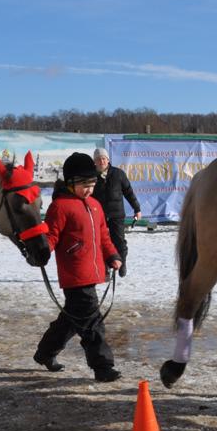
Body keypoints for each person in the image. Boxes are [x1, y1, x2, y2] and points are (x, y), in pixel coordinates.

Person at [33, 152, 123, 382]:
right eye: (84, 185)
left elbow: (104, 236)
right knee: (92, 322)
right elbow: (51, 236)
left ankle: (45, 353)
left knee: (71, 320)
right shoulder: (60, 207)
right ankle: (103, 366)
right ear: (70, 183)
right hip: (74, 274)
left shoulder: (95, 205)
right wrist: (43, 251)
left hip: (93, 271)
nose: (89, 190)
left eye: (92, 185)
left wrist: (112, 254)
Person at [91, 147, 141, 277]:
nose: (101, 161)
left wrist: (137, 209)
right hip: (99, 216)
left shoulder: (118, 174)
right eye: (98, 159)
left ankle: (122, 262)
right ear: (94, 162)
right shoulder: (91, 176)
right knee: (100, 242)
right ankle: (105, 268)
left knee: (119, 242)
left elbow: (128, 192)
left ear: (108, 160)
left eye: (104, 158)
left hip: (116, 214)